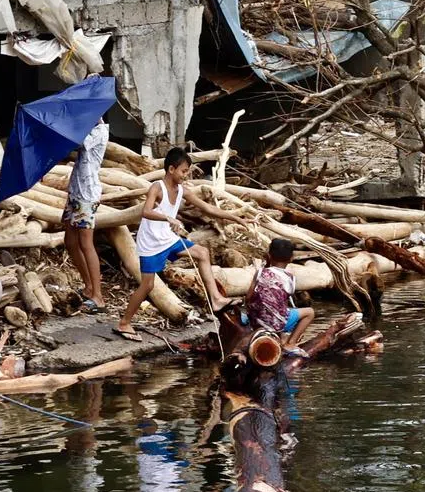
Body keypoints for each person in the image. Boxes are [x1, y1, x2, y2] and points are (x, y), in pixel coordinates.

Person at [116, 147, 235, 341]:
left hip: (168, 239)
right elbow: (146, 211)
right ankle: (124, 323)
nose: (186, 175)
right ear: (171, 169)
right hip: (151, 242)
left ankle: (216, 299)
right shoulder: (157, 187)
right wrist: (168, 219)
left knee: (202, 253)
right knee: (147, 285)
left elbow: (206, 207)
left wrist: (236, 217)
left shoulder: (182, 190)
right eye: (184, 171)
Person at [63, 118, 109, 313]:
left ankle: (98, 297)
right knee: (70, 240)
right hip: (76, 190)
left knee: (85, 242)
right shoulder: (89, 127)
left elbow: (78, 142)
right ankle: (88, 286)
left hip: (87, 195)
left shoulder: (99, 131)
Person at [244, 237, 315, 356]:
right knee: (310, 312)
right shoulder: (290, 277)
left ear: (269, 255)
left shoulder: (260, 272)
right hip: (276, 324)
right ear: (291, 258)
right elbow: (282, 302)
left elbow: (248, 297)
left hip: (256, 322)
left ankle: (278, 336)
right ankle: (290, 344)